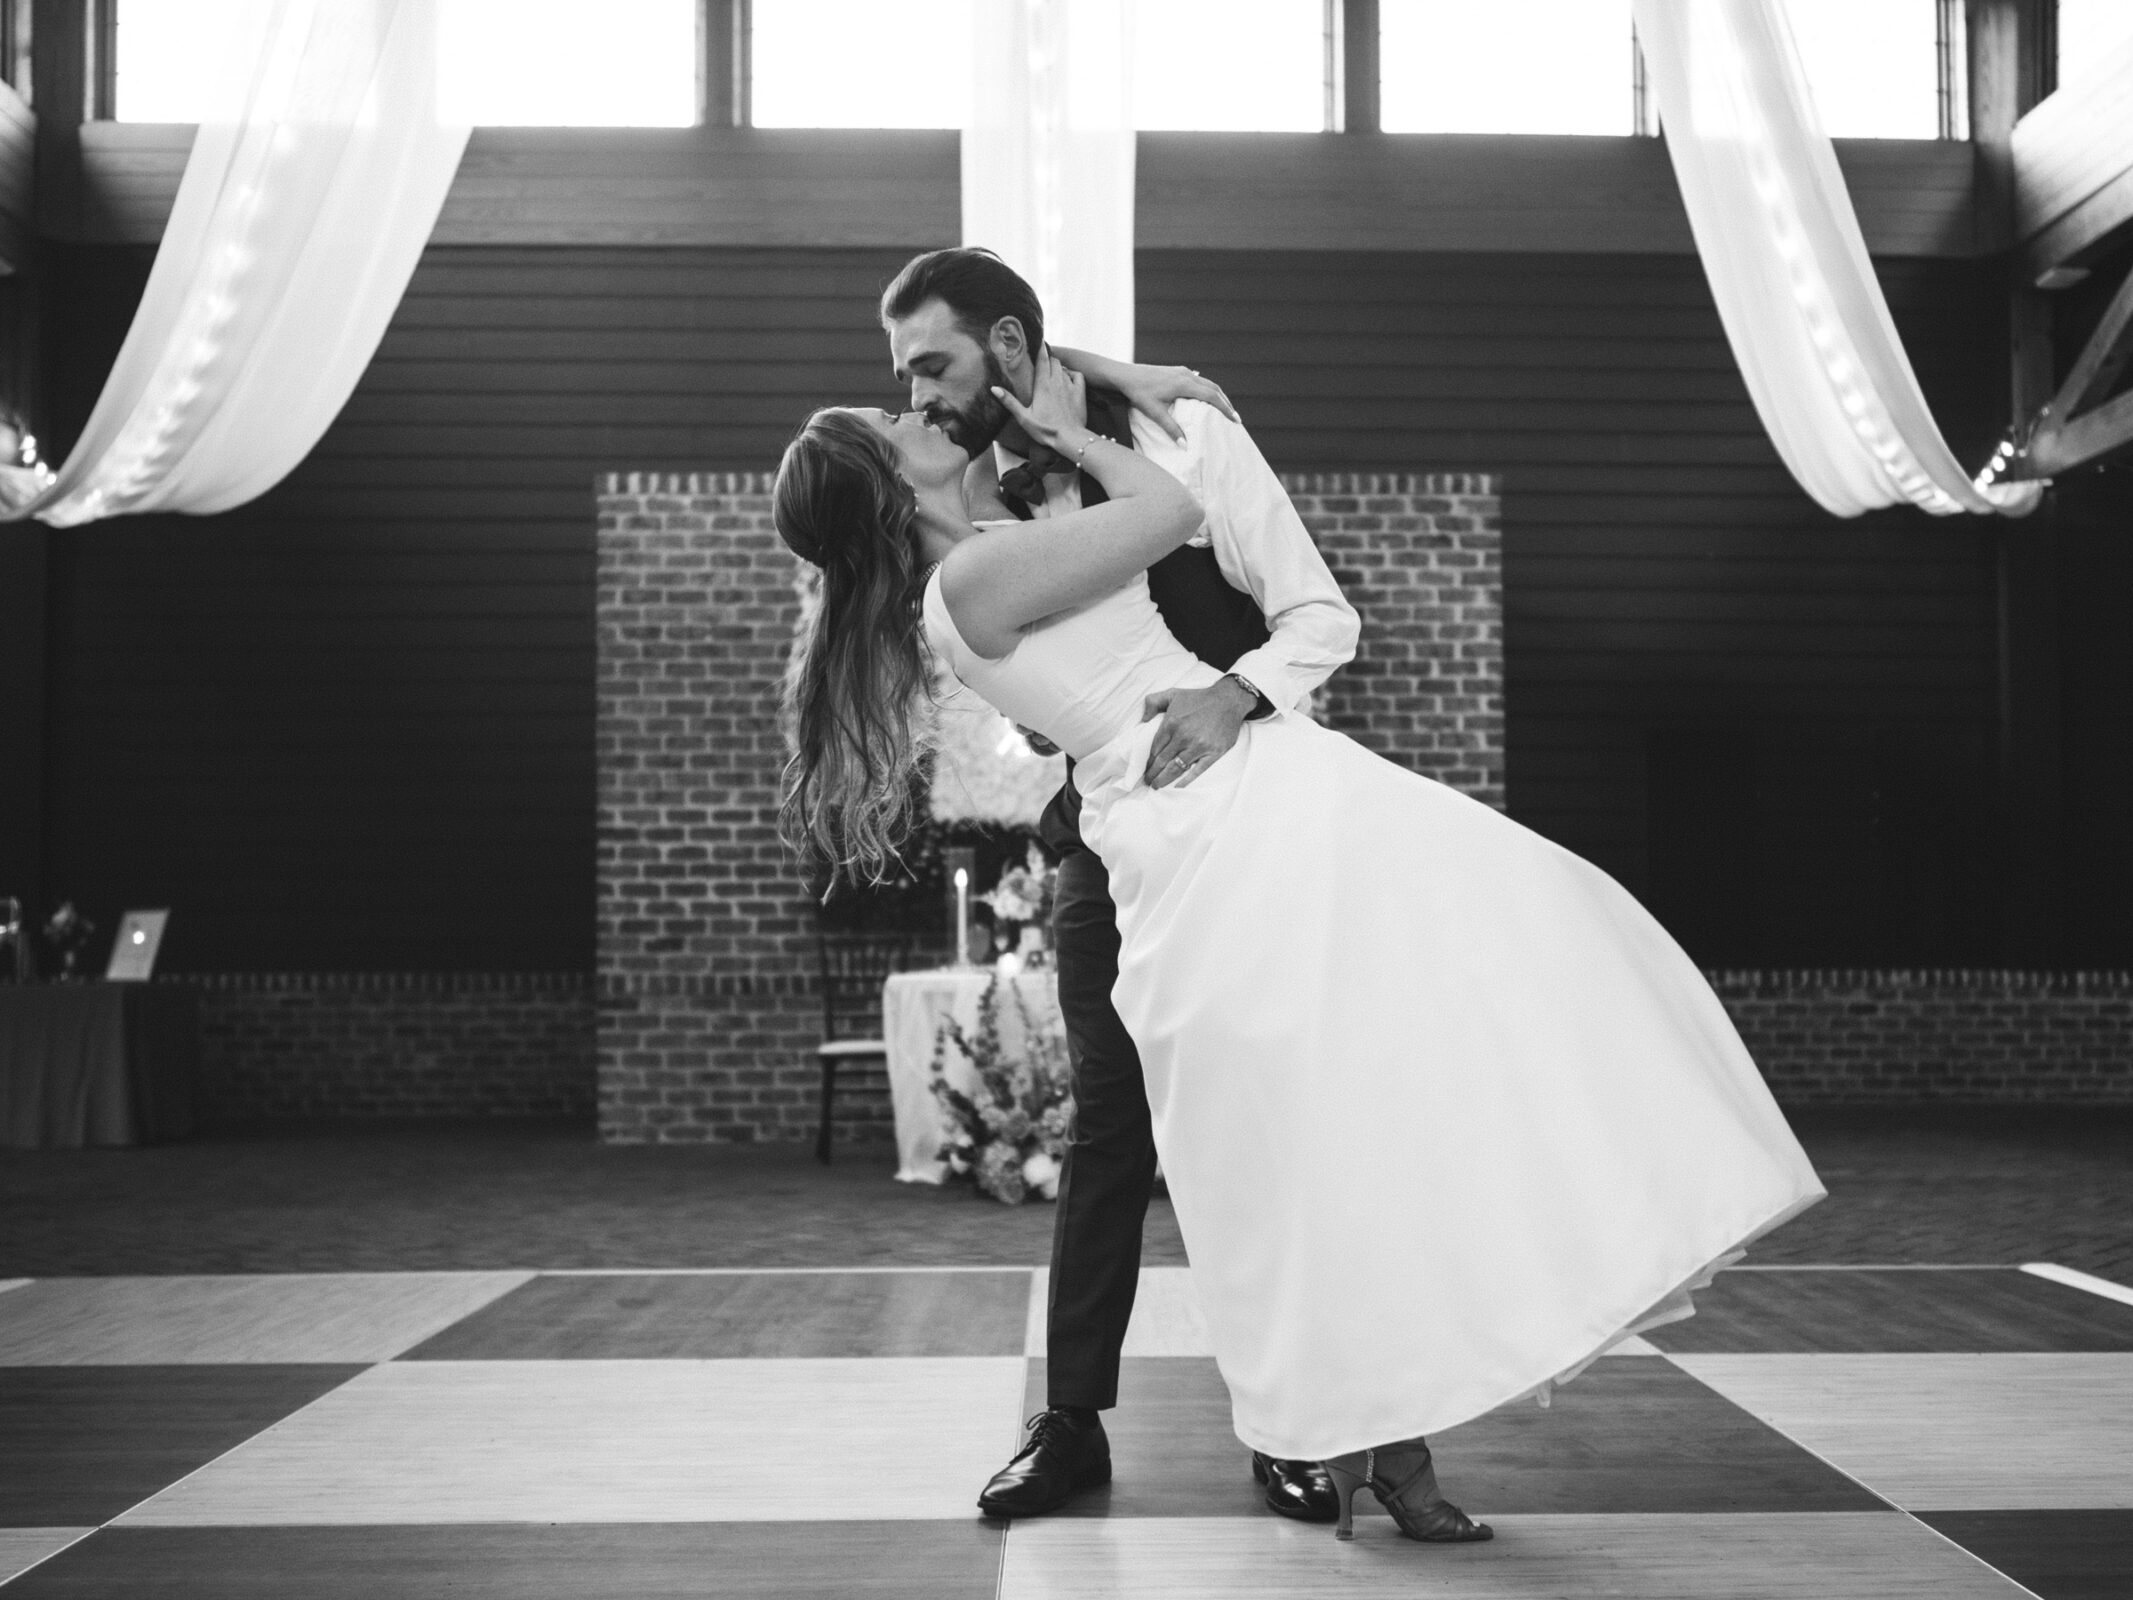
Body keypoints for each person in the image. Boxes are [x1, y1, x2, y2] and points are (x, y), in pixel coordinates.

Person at [775, 341, 1825, 1549]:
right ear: (888, 485)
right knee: (1326, 1114)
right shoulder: (977, 576)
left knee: (1361, 1097)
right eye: (893, 414)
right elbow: (1167, 510)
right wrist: (1083, 432)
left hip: (1237, 801)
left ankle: (1388, 1433)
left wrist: (1112, 369)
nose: (916, 406)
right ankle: (1347, 1425)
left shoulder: (991, 545)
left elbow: (1020, 352)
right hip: (1220, 823)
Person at [878, 248, 1358, 1525]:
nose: (917, 399)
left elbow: (1321, 617)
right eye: (905, 377)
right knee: (1111, 1125)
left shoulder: (1187, 431)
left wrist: (1231, 690)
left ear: (1013, 348)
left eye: (933, 365)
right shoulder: (972, 488)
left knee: (1256, 1119)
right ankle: (1072, 1421)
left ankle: (1291, 1420)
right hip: (1104, 838)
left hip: (1249, 814)